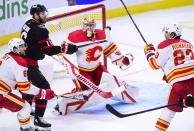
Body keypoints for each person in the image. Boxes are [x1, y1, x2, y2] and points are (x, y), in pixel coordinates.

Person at [55, 17, 139, 115]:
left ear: (95, 26)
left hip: (97, 68)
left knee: (111, 81)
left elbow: (112, 52)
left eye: (91, 25)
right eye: (87, 25)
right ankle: (63, 103)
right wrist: (66, 51)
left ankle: (129, 95)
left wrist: (122, 60)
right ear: (83, 25)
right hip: (81, 70)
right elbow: (61, 53)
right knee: (89, 91)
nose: (89, 28)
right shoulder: (74, 36)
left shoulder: (103, 35)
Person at [20, 4, 78, 130]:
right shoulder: (41, 30)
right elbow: (49, 50)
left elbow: (36, 45)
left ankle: (27, 110)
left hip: (21, 62)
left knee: (30, 89)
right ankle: (39, 119)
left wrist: (38, 50)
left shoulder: (28, 23)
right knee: (44, 88)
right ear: (35, 15)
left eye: (44, 12)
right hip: (29, 65)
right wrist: (66, 49)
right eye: (41, 13)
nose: (44, 15)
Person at [144, 23, 194, 131]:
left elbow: (155, 65)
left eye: (166, 32)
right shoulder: (188, 43)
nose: (165, 34)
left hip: (179, 84)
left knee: (170, 110)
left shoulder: (164, 45)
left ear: (172, 34)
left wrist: (149, 53)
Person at [0, 38, 55, 131]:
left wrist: (19, 85)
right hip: (1, 93)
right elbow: (25, 88)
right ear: (14, 49)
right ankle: (25, 128)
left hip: (2, 90)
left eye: (24, 45)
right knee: (25, 107)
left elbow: (8, 78)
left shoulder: (7, 56)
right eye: (20, 46)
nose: (24, 48)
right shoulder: (20, 62)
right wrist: (43, 93)